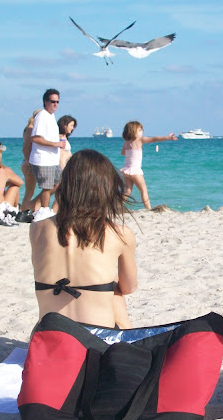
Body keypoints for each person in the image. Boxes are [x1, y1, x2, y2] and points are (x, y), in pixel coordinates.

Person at [30, 149, 137, 329]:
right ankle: (127, 342)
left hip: (49, 339)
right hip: (96, 342)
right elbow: (129, 287)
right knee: (116, 293)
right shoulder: (120, 234)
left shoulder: (37, 228)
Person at [120, 120, 177, 210]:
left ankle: (117, 206)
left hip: (126, 170)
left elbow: (123, 153)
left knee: (127, 191)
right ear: (133, 131)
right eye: (139, 130)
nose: (142, 132)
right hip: (135, 171)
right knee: (143, 190)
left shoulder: (127, 142)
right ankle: (148, 209)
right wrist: (167, 137)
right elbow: (154, 139)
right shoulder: (139, 140)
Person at [28, 89, 66, 212]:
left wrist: (59, 141)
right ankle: (44, 210)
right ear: (45, 102)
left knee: (59, 184)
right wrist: (54, 144)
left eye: (57, 102)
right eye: (52, 101)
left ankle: (36, 204)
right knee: (47, 186)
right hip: (43, 158)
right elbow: (35, 138)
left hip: (52, 159)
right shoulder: (42, 116)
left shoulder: (51, 116)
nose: (55, 104)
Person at [20, 109, 41, 211]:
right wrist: (29, 164)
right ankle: (24, 210)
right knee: (30, 190)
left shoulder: (34, 128)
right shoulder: (30, 129)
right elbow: (25, 148)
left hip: (30, 162)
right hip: (28, 162)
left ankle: (31, 207)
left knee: (31, 190)